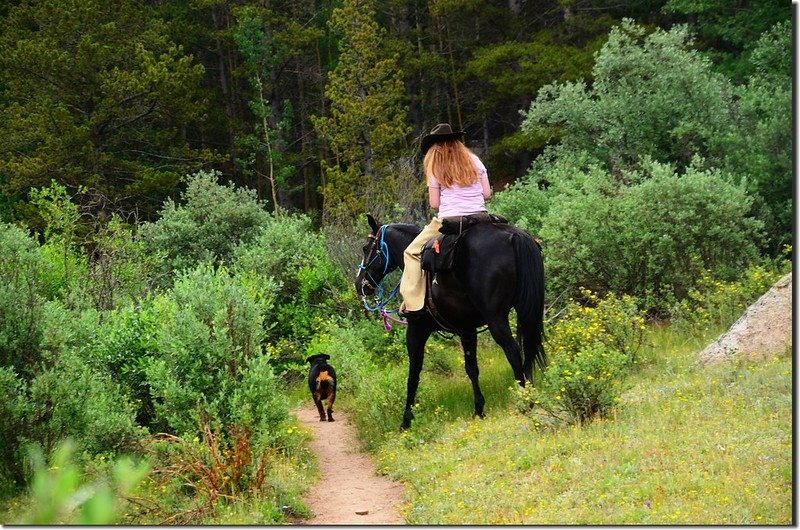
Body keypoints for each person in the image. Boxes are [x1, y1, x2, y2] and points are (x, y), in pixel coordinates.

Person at [398, 123, 492, 318]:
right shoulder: (474, 160)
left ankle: (413, 304)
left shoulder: (435, 165)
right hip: (481, 218)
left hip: (451, 220)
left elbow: (434, 203)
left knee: (412, 252)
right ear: (456, 141)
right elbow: (487, 193)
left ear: (435, 146)